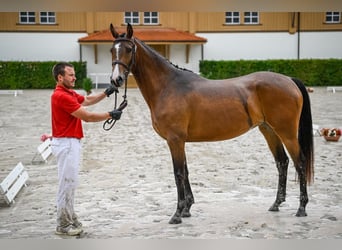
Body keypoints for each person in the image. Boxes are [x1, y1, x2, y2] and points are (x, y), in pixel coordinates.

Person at [50, 62, 122, 236]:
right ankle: (63, 225)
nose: (74, 77)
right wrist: (110, 115)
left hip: (70, 143)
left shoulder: (68, 93)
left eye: (74, 74)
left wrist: (107, 92)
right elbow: (87, 117)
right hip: (66, 144)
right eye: (70, 75)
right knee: (66, 184)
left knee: (71, 183)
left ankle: (69, 217)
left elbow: (87, 100)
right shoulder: (61, 96)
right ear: (60, 77)